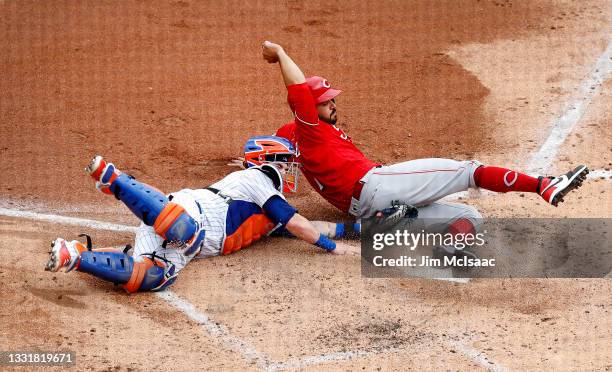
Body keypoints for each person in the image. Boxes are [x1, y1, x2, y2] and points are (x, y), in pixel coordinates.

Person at [260, 40, 588, 245]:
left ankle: (428, 245)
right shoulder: (309, 128)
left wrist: (251, 165)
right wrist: (281, 53)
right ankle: (543, 185)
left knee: (468, 217)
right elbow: (299, 88)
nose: (333, 104)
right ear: (309, 109)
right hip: (377, 186)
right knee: (468, 171)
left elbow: (272, 153)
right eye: (326, 101)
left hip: (365, 207)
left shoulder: (292, 135)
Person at [45, 141, 358, 293]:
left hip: (177, 238)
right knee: (187, 233)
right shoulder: (258, 181)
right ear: (265, 162)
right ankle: (114, 180)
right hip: (187, 216)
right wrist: (333, 249)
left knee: (155, 278)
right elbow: (296, 223)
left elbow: (309, 226)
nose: (290, 170)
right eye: (284, 162)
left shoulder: (272, 210)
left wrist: (359, 229)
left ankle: (74, 256)